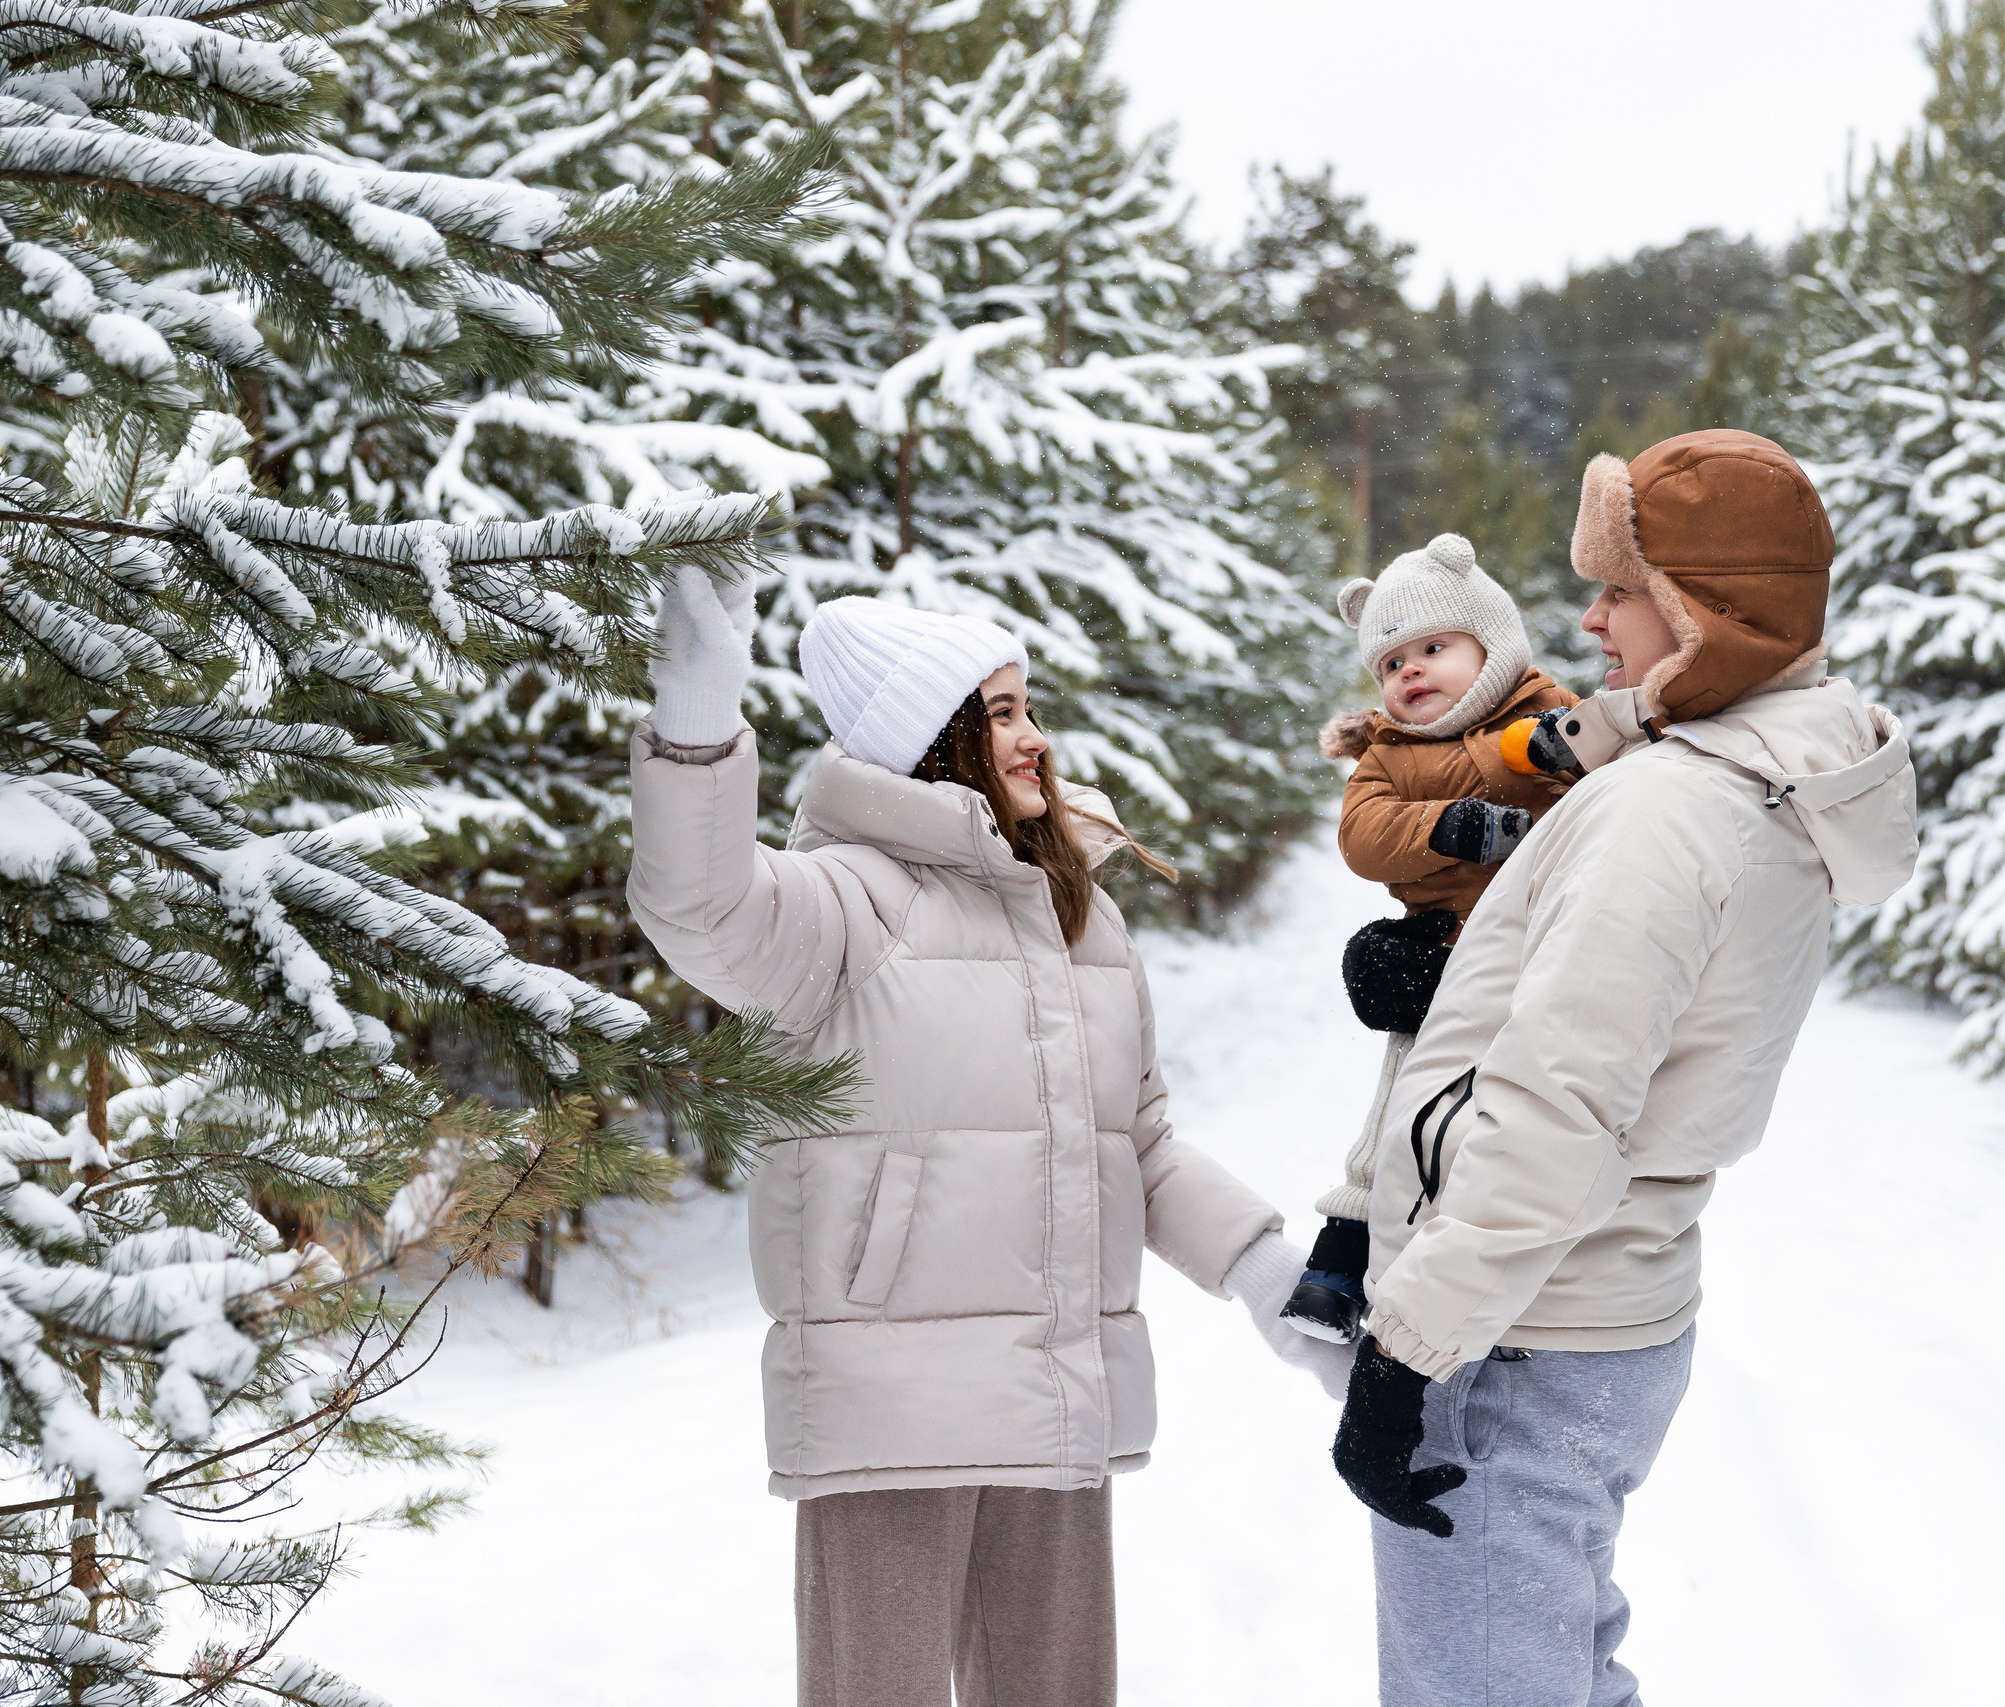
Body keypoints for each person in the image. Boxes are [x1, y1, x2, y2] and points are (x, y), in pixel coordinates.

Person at [626, 582, 1345, 1707]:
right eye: (1002, 712)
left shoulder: (1078, 916)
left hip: (1055, 1390)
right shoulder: (844, 905)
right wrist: (698, 721)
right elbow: (700, 908)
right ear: (935, 738)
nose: (1035, 736)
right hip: (891, 1404)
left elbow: (1137, 1145)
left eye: (1030, 707)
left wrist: (1267, 1275)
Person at [1329, 430, 1921, 1706]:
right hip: (1590, 1307)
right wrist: (1460, 972)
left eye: (1620, 591)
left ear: (1707, 611)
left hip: (1514, 1332)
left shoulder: (1664, 810)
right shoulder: (1744, 781)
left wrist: (1407, 1354)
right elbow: (1637, 1021)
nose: (1590, 620)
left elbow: (1559, 1110)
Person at [1287, 533, 1581, 1342]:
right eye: (1391, 662)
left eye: (1433, 648)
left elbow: (1605, 777)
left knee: (1512, 1123)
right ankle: (1341, 1256)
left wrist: (1536, 751)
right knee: (1400, 1103)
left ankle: (1497, 1272)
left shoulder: (1548, 716)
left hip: (1542, 956)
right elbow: (1363, 837)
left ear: (1492, 642)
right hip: (1442, 959)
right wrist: (1449, 826)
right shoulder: (1386, 756)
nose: (1410, 671)